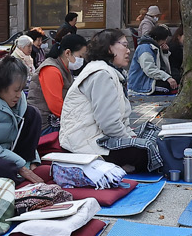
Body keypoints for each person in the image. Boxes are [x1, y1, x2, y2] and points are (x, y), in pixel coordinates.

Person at [60, 28, 164, 172]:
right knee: (147, 149)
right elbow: (109, 124)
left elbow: (119, 120)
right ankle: (115, 165)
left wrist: (131, 136)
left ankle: (123, 165)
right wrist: (132, 141)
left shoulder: (110, 72)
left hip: (103, 137)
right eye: (124, 45)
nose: (128, 51)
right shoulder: (101, 74)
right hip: (87, 144)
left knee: (154, 134)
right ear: (109, 48)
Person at [128, 26, 178, 97]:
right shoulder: (145, 48)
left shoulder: (156, 46)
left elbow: (165, 68)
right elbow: (150, 70)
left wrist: (164, 53)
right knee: (167, 87)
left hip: (150, 79)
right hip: (141, 84)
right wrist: (167, 77)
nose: (165, 42)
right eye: (165, 39)